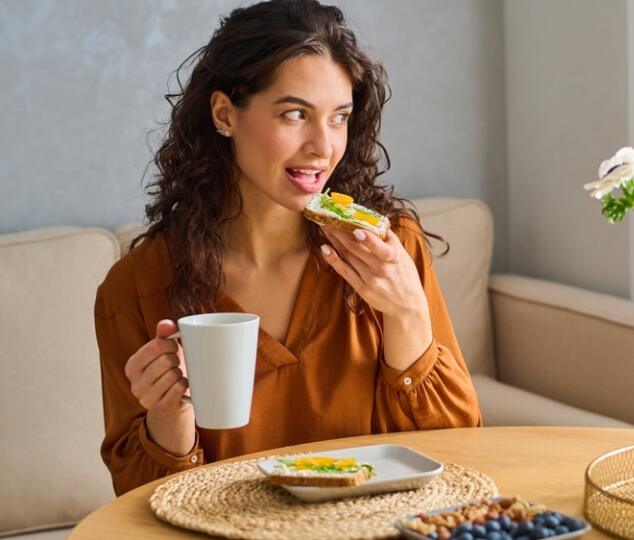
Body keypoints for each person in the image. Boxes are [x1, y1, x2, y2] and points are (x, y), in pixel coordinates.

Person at [94, 0, 481, 496]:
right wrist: (168, 418)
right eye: (295, 113)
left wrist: (408, 315)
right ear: (224, 114)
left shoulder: (389, 248)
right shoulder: (136, 288)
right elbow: (142, 505)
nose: (323, 146)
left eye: (339, 117)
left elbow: (457, 455)